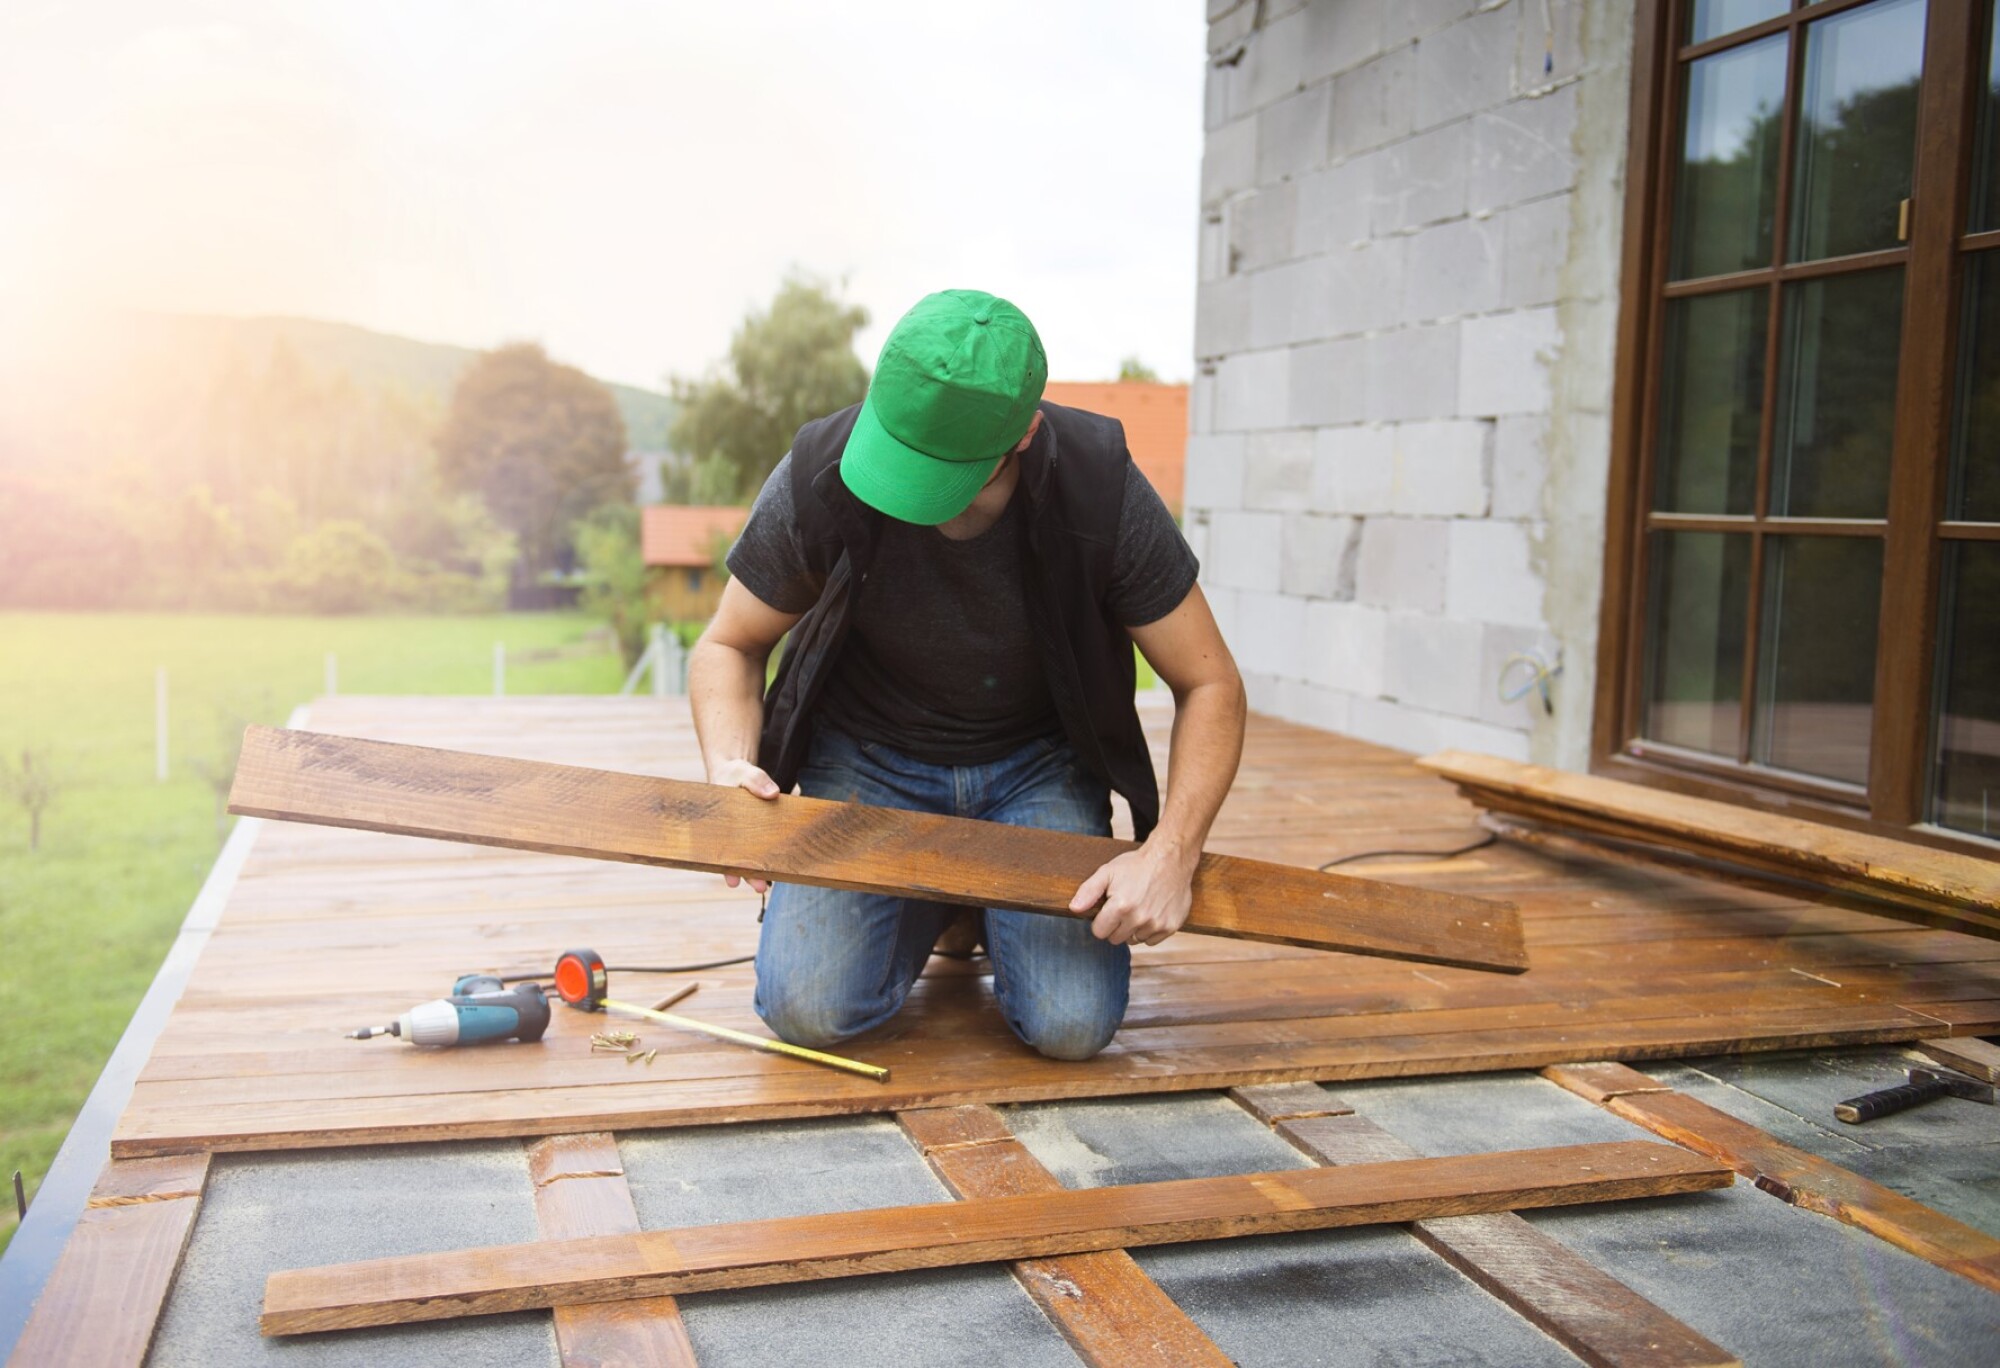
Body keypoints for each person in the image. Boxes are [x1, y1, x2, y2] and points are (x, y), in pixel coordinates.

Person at [689, 288, 1245, 1061]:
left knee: (1072, 1026)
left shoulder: (1100, 487)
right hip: (866, 757)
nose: (904, 495)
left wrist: (1172, 854)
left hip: (1035, 764)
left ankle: (962, 900)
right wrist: (728, 769)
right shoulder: (823, 466)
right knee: (806, 1011)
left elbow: (1211, 683)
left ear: (1023, 432)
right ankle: (951, 903)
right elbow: (728, 644)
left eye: (938, 472)